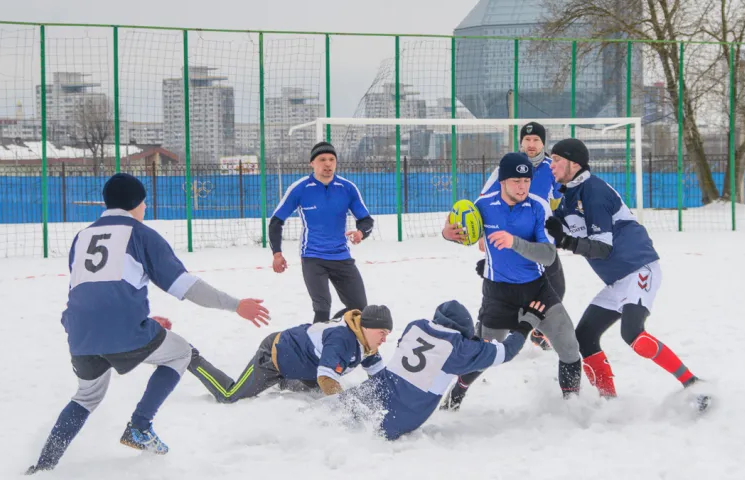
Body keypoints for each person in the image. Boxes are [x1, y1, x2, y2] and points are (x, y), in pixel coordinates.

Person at [26, 173, 271, 474]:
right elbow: (187, 287)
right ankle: (140, 427)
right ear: (135, 204)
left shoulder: (83, 237)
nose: (146, 208)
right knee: (181, 353)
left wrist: (129, 321)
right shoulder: (141, 234)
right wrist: (236, 305)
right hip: (123, 330)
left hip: (79, 332)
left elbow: (90, 292)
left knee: (86, 397)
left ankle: (43, 465)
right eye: (145, 203)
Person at [545, 138, 706, 408]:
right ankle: (609, 400)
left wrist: (566, 241)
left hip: (639, 268)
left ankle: (694, 384)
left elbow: (602, 248)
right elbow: (552, 231)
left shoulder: (593, 191)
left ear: (574, 164)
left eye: (557, 159)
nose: (552, 164)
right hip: (618, 280)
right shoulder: (569, 195)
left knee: (634, 335)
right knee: (583, 338)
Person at [440, 152, 582, 410]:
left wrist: (514, 242)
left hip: (537, 291)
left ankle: (571, 406)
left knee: (570, 346)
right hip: (498, 295)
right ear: (503, 181)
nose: (522, 186)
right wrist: (448, 233)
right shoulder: (483, 205)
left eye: (526, 180)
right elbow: (458, 227)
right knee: (483, 356)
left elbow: (549, 256)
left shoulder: (538, 207)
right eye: (516, 180)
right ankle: (454, 398)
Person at [337, 299, 545, 440]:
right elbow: (507, 352)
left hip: (375, 389)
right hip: (398, 415)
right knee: (355, 433)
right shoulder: (459, 349)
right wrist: (526, 324)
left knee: (327, 416)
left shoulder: (415, 325)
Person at [477, 121, 566, 350]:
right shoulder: (505, 169)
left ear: (543, 143)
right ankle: (482, 333)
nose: (531, 144)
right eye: (527, 140)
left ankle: (538, 330)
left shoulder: (552, 168)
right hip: (506, 238)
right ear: (521, 143)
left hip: (538, 238)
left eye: (536, 140)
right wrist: (481, 235)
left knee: (557, 287)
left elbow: (560, 198)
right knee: (495, 289)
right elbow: (484, 200)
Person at [188, 305, 392, 402]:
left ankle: (287, 381)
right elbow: (327, 380)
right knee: (229, 396)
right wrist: (349, 406)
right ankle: (190, 357)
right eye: (381, 333)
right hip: (273, 357)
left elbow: (382, 378)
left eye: (387, 334)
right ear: (365, 327)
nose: (384, 339)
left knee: (314, 395)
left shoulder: (368, 345)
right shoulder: (341, 339)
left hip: (301, 365)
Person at [269, 141, 374, 323]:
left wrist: (360, 233)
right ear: (312, 163)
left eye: (332, 159)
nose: (328, 164)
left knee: (359, 309)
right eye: (322, 159)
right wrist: (277, 254)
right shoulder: (300, 188)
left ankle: (337, 331)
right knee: (322, 307)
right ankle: (319, 346)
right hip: (313, 258)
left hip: (341, 257)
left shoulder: (347, 188)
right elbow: (276, 222)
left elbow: (366, 220)